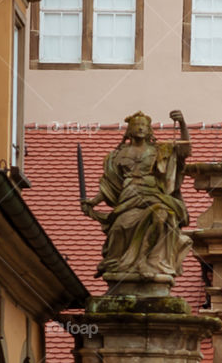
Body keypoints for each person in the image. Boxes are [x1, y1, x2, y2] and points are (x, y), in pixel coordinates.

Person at [82, 109, 192, 287]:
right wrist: (92, 202)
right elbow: (109, 186)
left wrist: (182, 124)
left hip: (154, 195)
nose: (140, 128)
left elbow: (185, 150)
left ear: (149, 130)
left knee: (161, 217)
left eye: (144, 125)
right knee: (119, 228)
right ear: (129, 130)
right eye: (136, 125)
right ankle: (117, 265)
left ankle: (145, 260)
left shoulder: (160, 150)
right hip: (128, 197)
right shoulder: (116, 156)